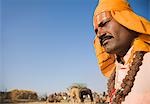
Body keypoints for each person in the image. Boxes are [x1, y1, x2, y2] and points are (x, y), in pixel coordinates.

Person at [93, 0, 150, 104]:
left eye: (104, 23)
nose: (99, 34)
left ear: (127, 20)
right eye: (96, 31)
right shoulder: (115, 74)